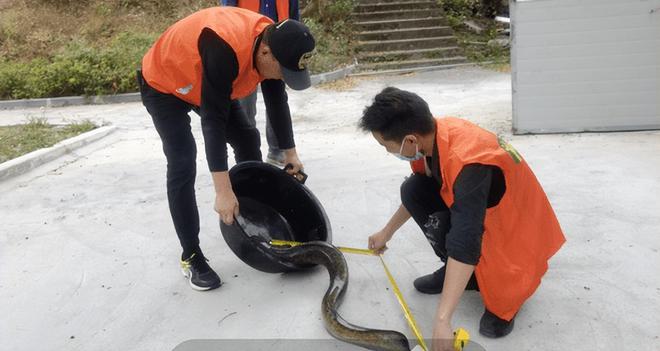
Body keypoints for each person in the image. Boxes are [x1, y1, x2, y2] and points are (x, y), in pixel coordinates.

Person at [358, 87, 565, 350]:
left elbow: (466, 240)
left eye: (385, 146)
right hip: (482, 214)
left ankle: (505, 293)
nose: (388, 151)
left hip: (516, 231)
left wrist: (442, 320)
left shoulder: (469, 162)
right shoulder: (432, 138)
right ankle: (467, 277)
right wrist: (386, 232)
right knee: (413, 189)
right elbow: (425, 191)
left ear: (410, 140)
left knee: (498, 307)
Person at [138, 6, 315, 291]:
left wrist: (291, 154)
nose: (283, 77)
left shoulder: (273, 41)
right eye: (283, 71)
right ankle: (191, 255)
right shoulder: (224, 47)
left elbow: (276, 102)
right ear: (265, 53)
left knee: (246, 137)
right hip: (166, 83)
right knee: (183, 159)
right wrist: (223, 190)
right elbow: (213, 122)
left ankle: (254, 218)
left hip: (206, 80)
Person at [220, 0, 301, 165]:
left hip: (277, 50)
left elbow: (293, 17)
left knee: (277, 100)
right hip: (247, 49)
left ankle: (278, 150)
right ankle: (247, 152)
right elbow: (227, 13)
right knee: (244, 102)